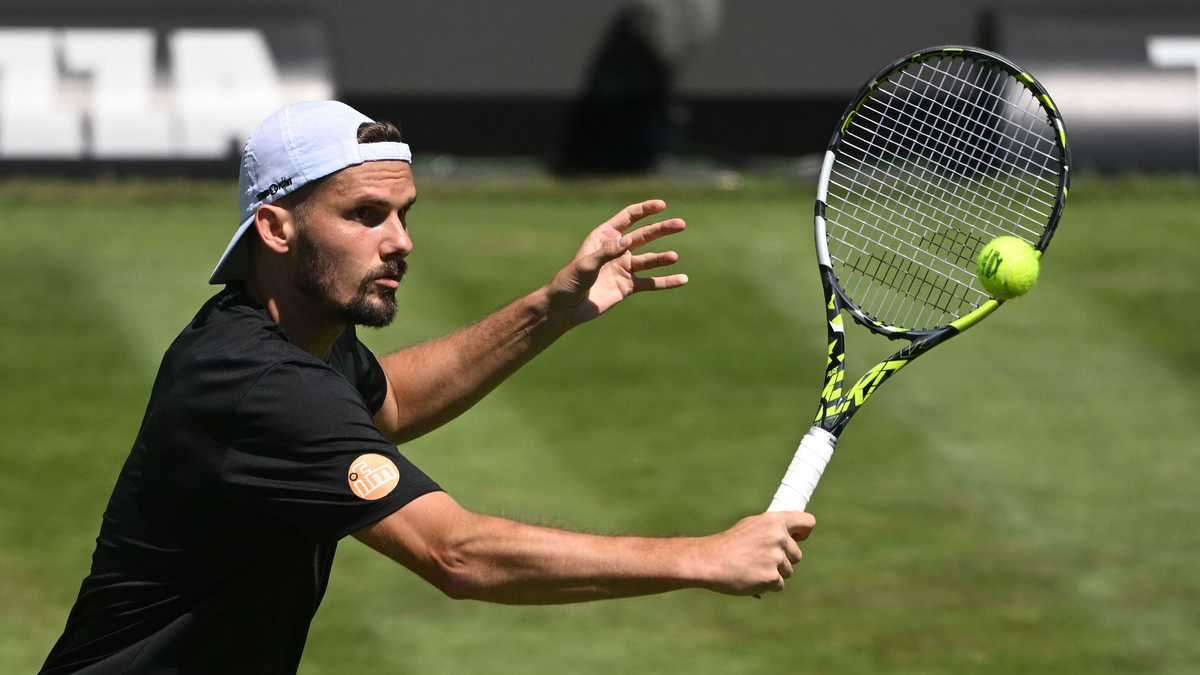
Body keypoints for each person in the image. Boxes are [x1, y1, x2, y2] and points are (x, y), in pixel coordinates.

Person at [39, 101, 815, 675]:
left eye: (404, 215)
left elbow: (393, 403)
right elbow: (458, 554)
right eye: (366, 215)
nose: (401, 241)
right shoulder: (260, 388)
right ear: (276, 229)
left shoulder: (295, 341)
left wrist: (548, 310)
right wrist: (701, 556)